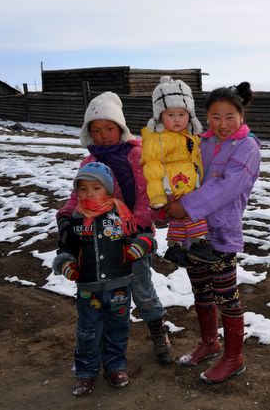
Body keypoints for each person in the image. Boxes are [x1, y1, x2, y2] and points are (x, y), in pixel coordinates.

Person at [56, 91, 174, 365]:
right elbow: (77, 196)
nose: (103, 135)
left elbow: (148, 195)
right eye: (96, 130)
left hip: (133, 240)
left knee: (142, 291)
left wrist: (134, 227)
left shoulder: (136, 155)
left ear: (120, 128)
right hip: (97, 242)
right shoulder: (89, 162)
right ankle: (103, 345)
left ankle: (158, 331)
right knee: (101, 295)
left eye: (108, 128)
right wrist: (65, 216)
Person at [165, 82, 261, 383]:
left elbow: (227, 187)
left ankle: (234, 358)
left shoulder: (247, 147)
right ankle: (209, 343)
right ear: (206, 117)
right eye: (215, 117)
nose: (223, 124)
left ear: (241, 116)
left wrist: (185, 206)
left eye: (230, 116)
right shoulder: (199, 142)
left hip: (221, 233)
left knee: (225, 295)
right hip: (193, 232)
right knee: (201, 290)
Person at [52, 162, 154, 396]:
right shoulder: (74, 220)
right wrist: (66, 264)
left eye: (96, 188)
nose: (89, 194)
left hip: (120, 287)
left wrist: (140, 245)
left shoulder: (121, 215)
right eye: (83, 189)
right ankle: (86, 372)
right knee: (88, 331)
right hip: (88, 288)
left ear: (108, 190)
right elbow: (65, 249)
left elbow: (143, 236)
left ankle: (115, 366)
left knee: (117, 328)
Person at [140, 76, 218, 266]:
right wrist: (157, 195)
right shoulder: (158, 138)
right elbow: (152, 166)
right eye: (171, 114)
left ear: (189, 115)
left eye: (181, 114)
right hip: (172, 185)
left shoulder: (190, 134)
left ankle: (175, 247)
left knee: (180, 217)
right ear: (160, 116)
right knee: (193, 213)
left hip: (187, 182)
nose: (177, 119)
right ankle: (199, 244)